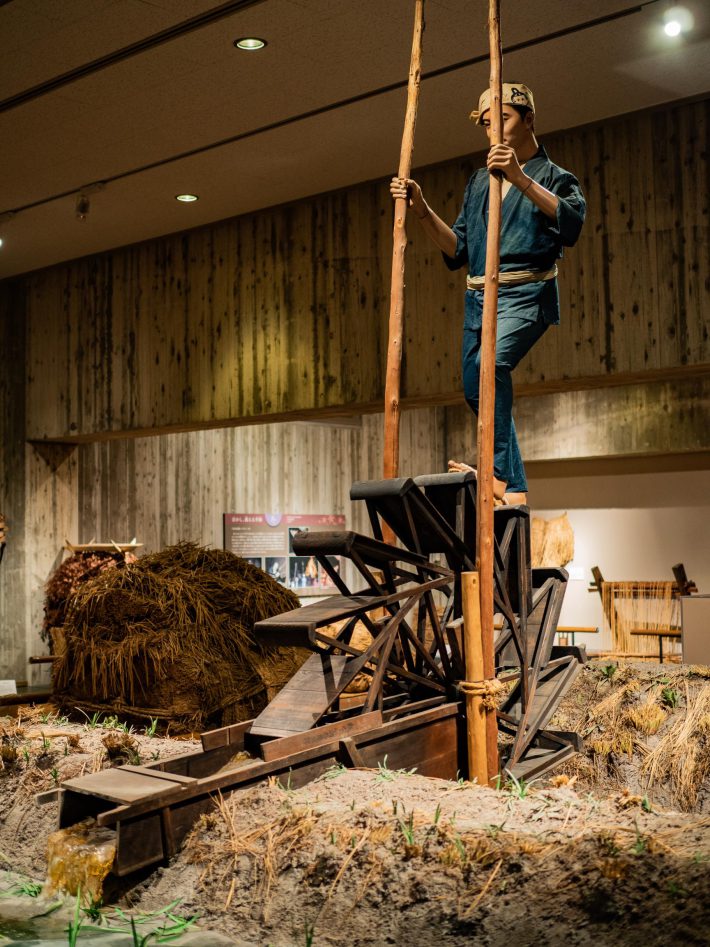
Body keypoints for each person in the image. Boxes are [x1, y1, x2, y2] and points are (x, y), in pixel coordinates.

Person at [390, 83, 586, 505]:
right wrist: (421, 209)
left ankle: (499, 474)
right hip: (478, 298)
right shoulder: (480, 182)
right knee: (474, 387)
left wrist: (520, 178)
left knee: (491, 365)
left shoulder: (555, 177)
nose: (492, 128)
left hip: (527, 292)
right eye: (485, 123)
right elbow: (458, 248)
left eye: (503, 118)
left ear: (529, 119)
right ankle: (513, 484)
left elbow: (571, 224)